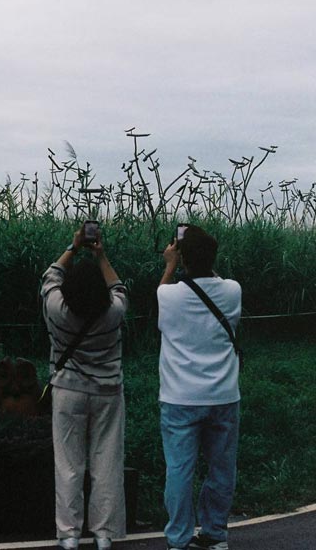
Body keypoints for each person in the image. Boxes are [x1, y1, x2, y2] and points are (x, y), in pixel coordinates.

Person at [41, 225, 128, 550]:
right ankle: (104, 534)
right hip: (108, 392)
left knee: (68, 465)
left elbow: (50, 276)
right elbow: (118, 286)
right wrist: (101, 255)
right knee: (106, 463)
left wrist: (73, 248)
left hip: (68, 391)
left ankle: (69, 535)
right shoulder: (114, 311)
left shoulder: (57, 310)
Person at [157, 225, 242, 550]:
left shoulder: (168, 294)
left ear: (181, 257)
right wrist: (196, 258)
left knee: (180, 469)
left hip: (180, 398)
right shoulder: (233, 290)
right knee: (222, 468)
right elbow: (213, 282)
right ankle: (215, 534)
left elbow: (163, 302)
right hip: (223, 395)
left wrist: (170, 266)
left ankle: (178, 539)